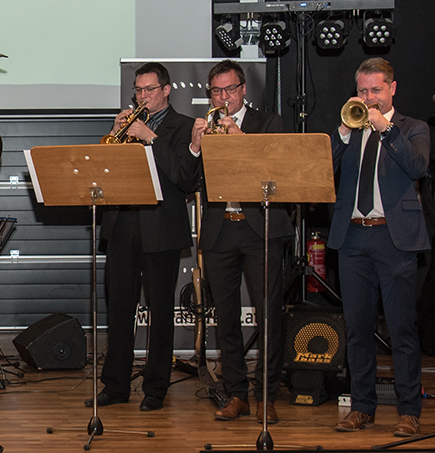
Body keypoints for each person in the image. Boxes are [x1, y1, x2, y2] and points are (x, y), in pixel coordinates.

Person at [188, 60, 292, 425]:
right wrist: (196, 146)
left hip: (260, 228)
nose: (223, 97)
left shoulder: (268, 123)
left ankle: (266, 396)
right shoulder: (207, 127)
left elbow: (276, 170)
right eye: (216, 91)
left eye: (229, 89)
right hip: (220, 229)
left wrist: (239, 138)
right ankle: (236, 394)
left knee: (268, 315)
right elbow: (186, 180)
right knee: (226, 318)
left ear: (243, 90)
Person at [330, 58, 429, 437]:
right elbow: (320, 168)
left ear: (392, 88)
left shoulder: (412, 128)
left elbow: (417, 167)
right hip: (353, 237)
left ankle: (409, 410)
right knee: (357, 329)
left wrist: (386, 130)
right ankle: (362, 407)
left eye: (376, 90)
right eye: (362, 90)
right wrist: (342, 132)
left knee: (402, 328)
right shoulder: (351, 128)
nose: (369, 97)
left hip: (394, 238)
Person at [92, 62, 199, 412]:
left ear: (166, 90)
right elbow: (103, 170)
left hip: (161, 228)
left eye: (149, 90)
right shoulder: (126, 125)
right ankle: (116, 385)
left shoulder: (183, 126)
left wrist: (150, 137)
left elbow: (184, 176)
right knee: (119, 309)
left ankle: (156, 387)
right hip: (122, 224)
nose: (142, 96)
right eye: (138, 90)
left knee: (160, 311)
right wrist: (115, 132)